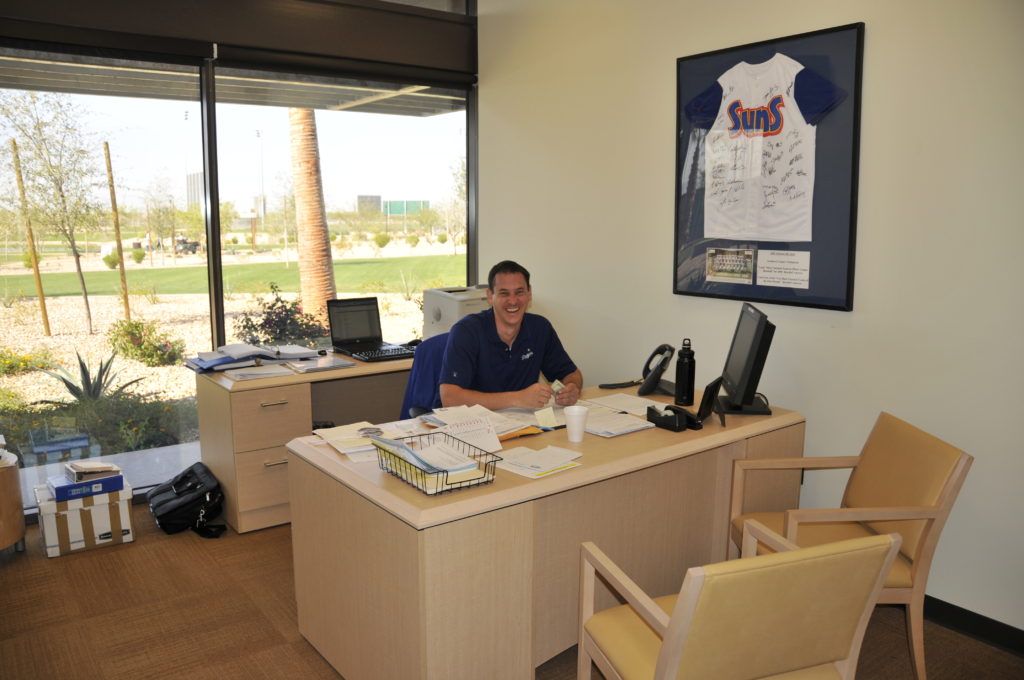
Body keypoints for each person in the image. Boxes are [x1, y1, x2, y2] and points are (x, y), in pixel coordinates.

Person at [439, 260, 582, 410]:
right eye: (504, 293)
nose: (513, 301)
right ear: (490, 296)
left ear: (529, 294)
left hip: (525, 421)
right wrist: (518, 399)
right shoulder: (467, 331)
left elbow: (572, 374)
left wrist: (572, 388)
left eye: (519, 292)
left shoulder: (540, 328)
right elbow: (450, 398)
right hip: (476, 422)